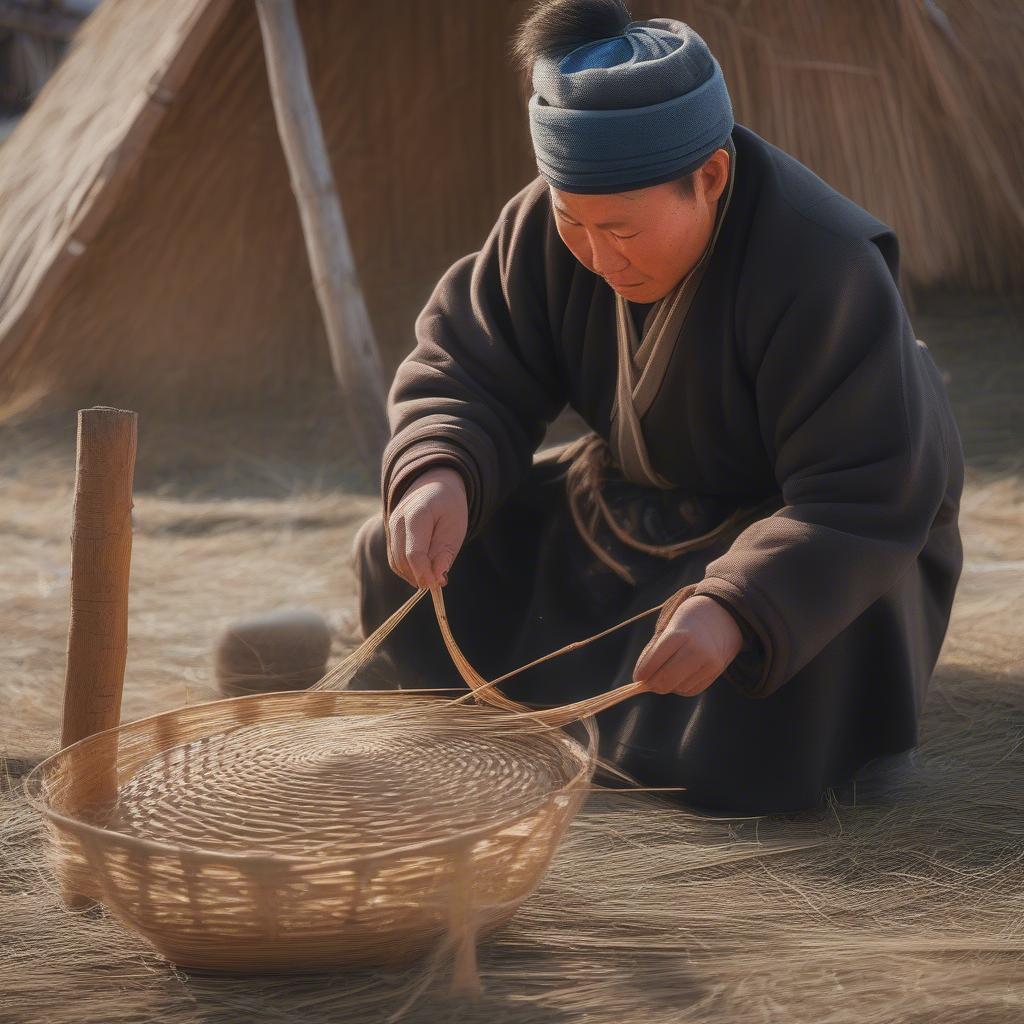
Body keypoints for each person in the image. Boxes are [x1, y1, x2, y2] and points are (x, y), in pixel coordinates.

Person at [351, 0, 964, 815]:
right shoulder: (548, 225)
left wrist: (737, 607)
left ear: (709, 177)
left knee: (758, 703)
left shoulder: (823, 266)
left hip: (811, 541)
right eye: (575, 222)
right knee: (403, 561)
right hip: (631, 512)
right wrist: (440, 470)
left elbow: (863, 494)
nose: (597, 256)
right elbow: (469, 363)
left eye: (624, 230)